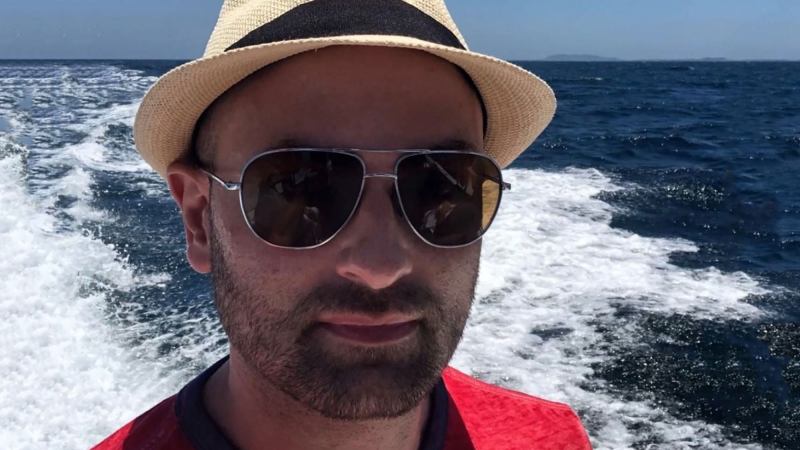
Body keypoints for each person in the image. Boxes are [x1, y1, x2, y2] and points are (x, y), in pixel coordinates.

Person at [94, 0, 592, 449]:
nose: (380, 266)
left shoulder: (554, 440)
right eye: (300, 190)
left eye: (442, 188)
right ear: (199, 218)